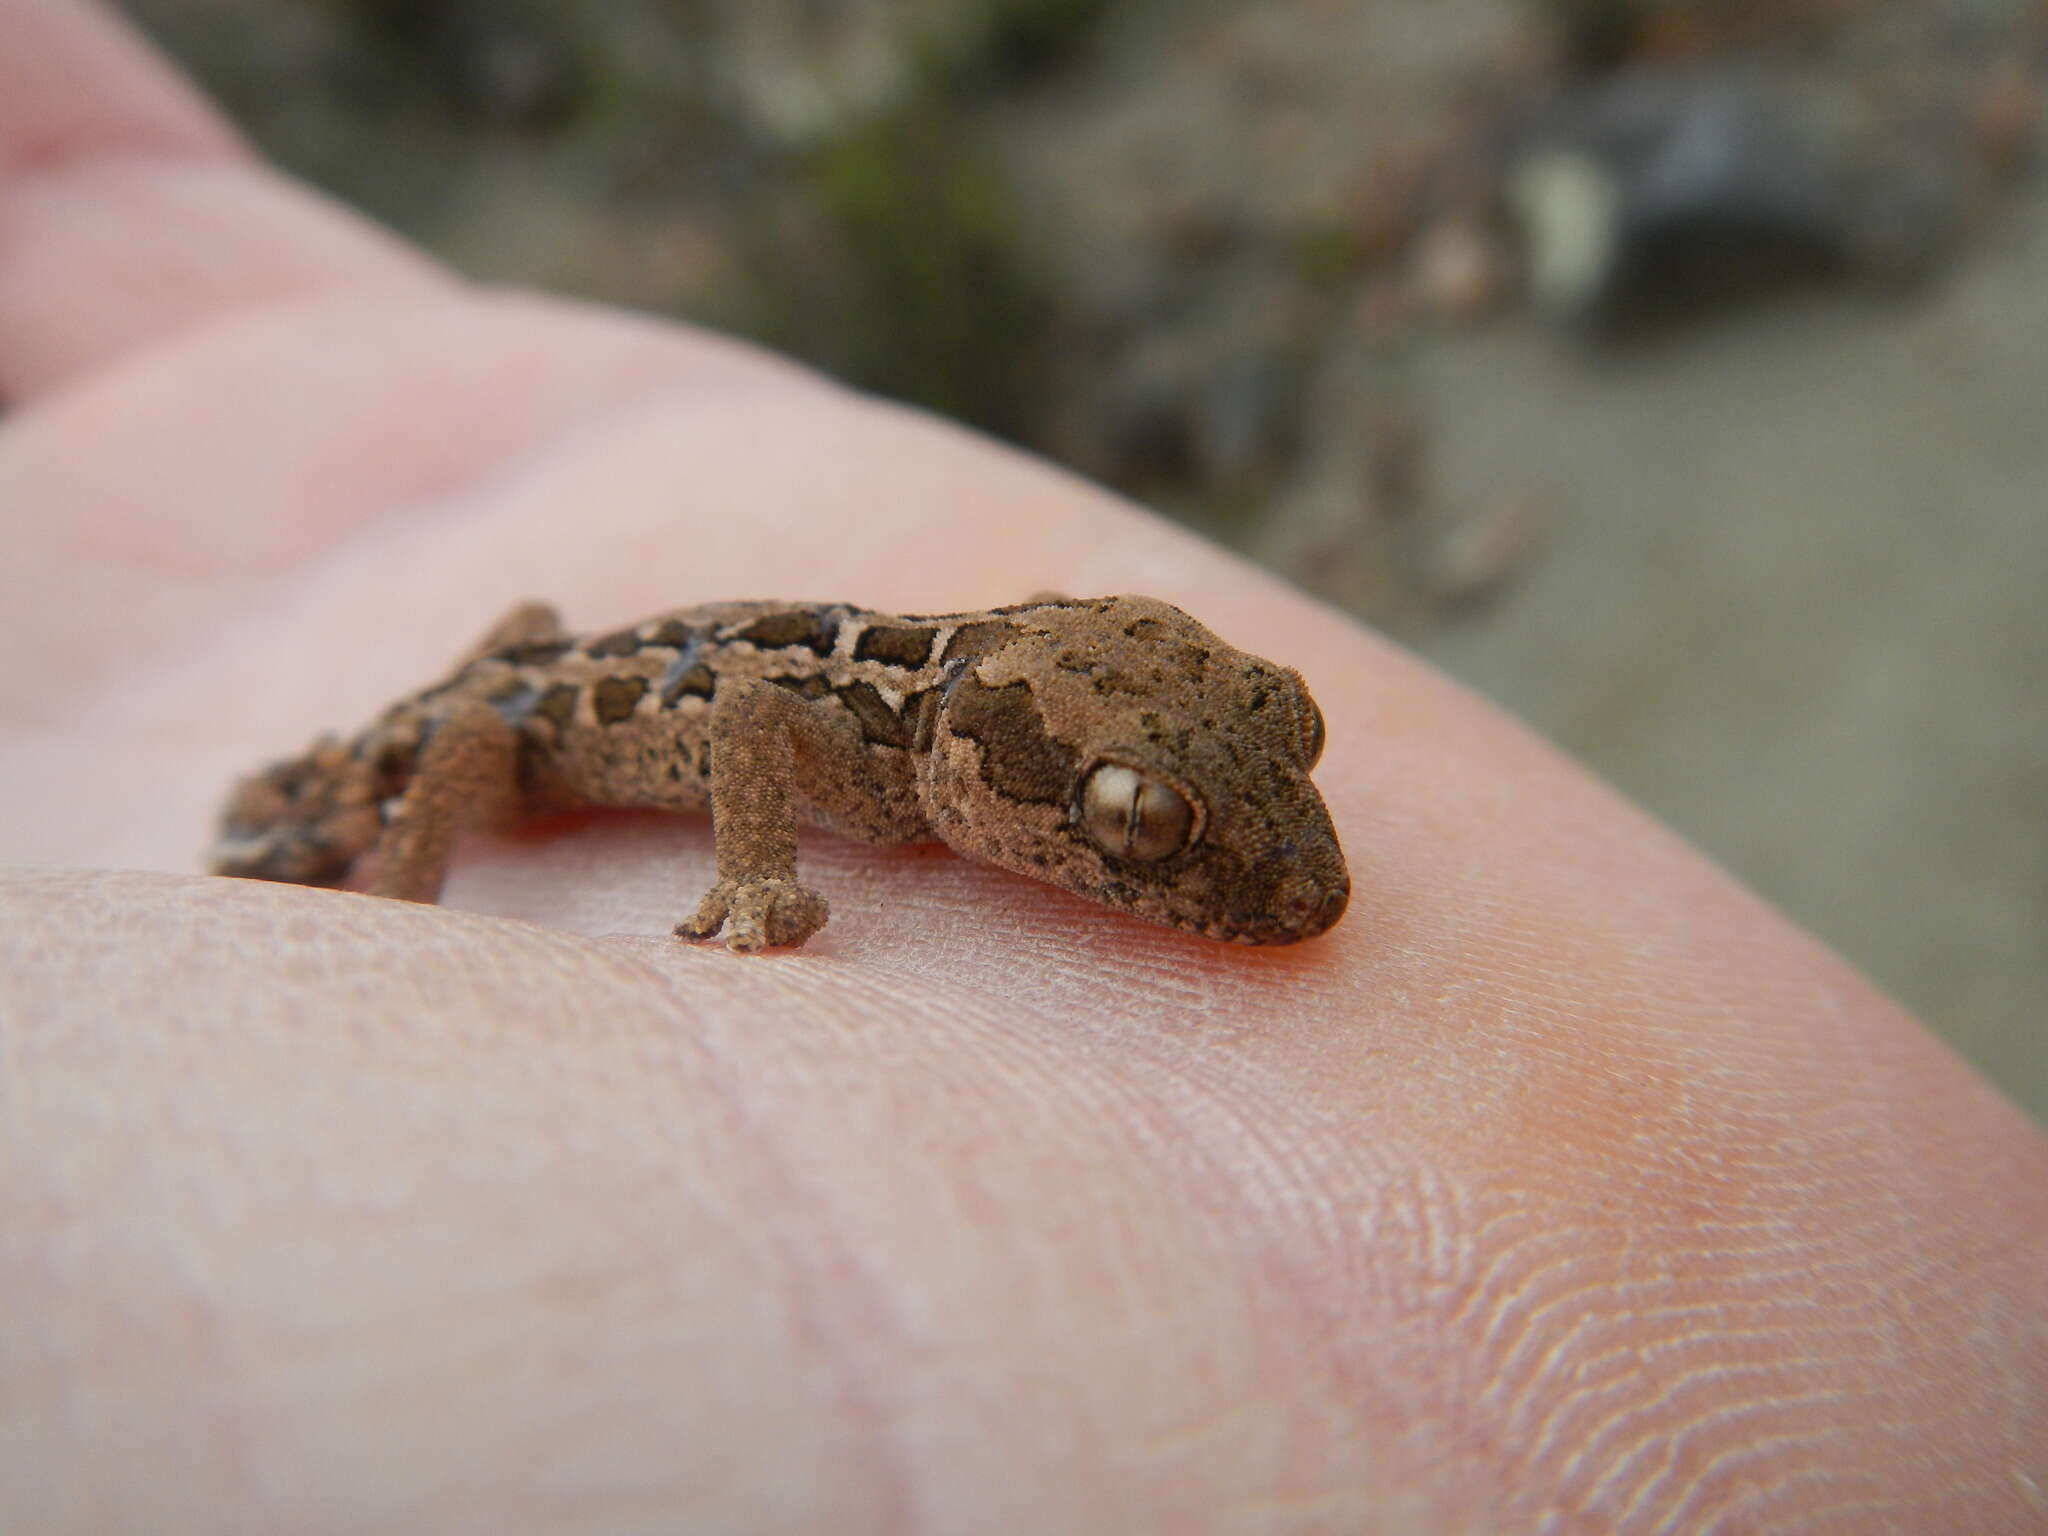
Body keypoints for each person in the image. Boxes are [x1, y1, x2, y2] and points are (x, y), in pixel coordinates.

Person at [3, 2, 2043, 1528]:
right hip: (506, 743)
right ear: (983, 779)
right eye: (1143, 832)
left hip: (570, 696)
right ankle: (343, 852)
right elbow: (738, 708)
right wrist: (738, 877)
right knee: (459, 734)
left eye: (1224, 782)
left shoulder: (967, 731)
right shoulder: (876, 747)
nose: (1247, 873)